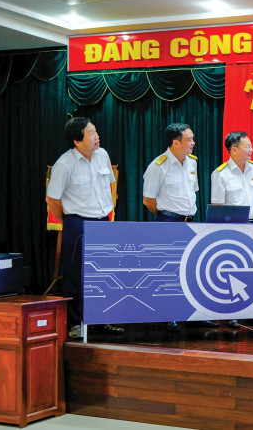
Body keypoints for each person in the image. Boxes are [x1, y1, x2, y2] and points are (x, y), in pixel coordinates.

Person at [46, 117, 124, 339]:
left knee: (105, 273)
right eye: (91, 133)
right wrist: (68, 221)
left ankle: (101, 319)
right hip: (78, 222)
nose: (97, 136)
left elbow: (109, 186)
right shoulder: (64, 164)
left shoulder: (103, 155)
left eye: (95, 131)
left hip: (103, 221)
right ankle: (75, 323)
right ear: (77, 141)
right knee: (76, 274)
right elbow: (52, 199)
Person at [142, 123, 218, 332]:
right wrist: (167, 216)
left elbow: (192, 193)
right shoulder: (158, 166)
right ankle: (169, 315)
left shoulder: (192, 162)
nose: (193, 143)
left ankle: (194, 315)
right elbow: (148, 201)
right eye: (189, 139)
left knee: (192, 269)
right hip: (169, 222)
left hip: (190, 222)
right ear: (176, 143)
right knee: (170, 271)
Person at [211, 131, 253, 328]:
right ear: (234, 149)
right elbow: (217, 207)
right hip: (235, 228)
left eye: (251, 145)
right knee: (233, 271)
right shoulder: (220, 174)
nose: (251, 149)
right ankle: (233, 313)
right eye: (247, 146)